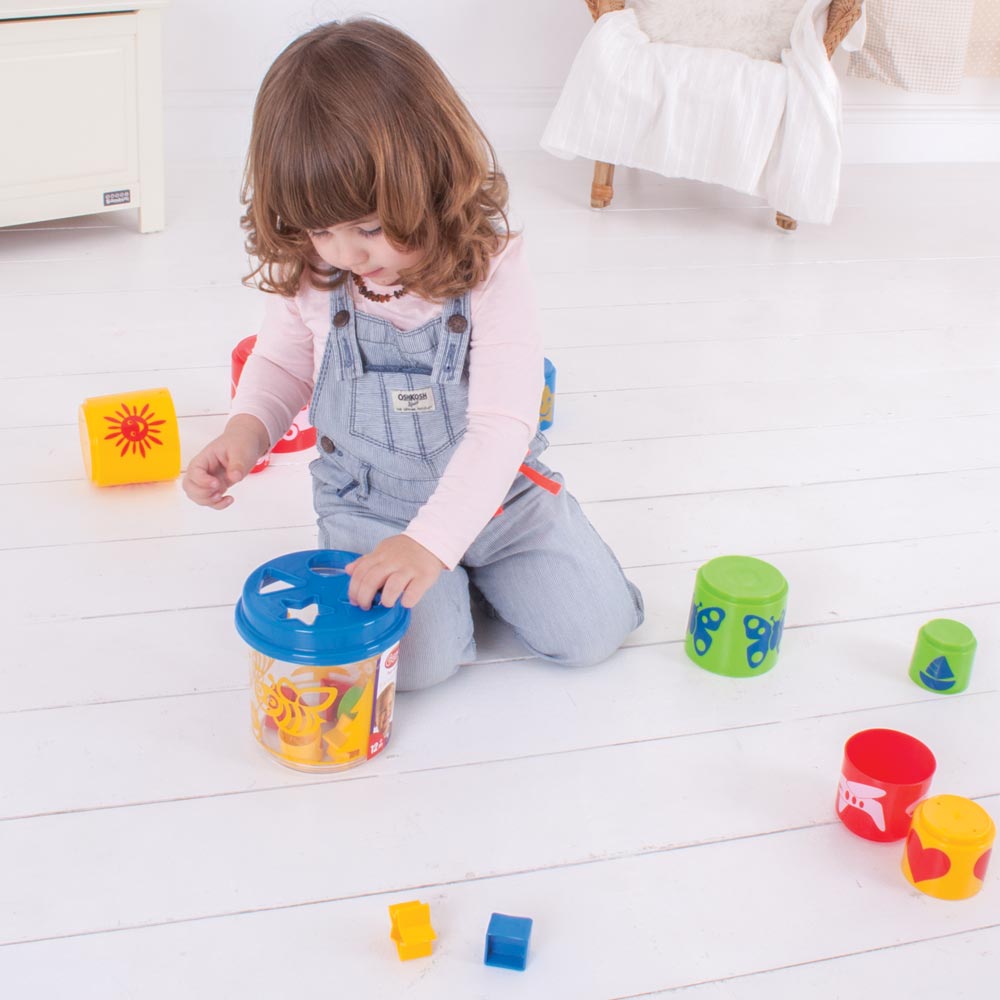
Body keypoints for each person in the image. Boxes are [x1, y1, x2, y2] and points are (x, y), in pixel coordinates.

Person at [182, 18, 643, 690]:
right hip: (370, 502)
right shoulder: (315, 274)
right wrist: (245, 432)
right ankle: (447, 587)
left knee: (593, 632)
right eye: (320, 230)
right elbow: (282, 363)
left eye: (369, 227)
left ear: (432, 183)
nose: (345, 253)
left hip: (498, 497)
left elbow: (501, 425)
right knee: (417, 666)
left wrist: (435, 543)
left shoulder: (490, 269)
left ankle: (470, 567)